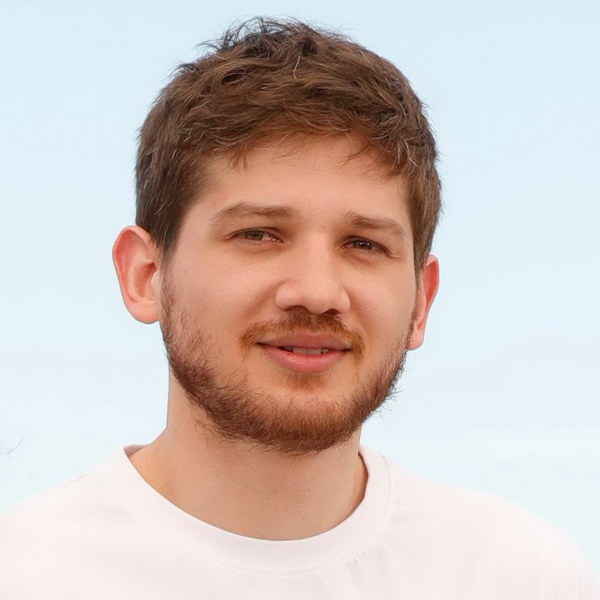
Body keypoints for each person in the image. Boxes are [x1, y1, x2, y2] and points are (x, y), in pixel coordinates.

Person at [0, 17, 597, 599]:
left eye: (363, 244)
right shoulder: (24, 574)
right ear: (146, 276)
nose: (317, 291)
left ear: (421, 301)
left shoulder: (523, 577)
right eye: (258, 234)